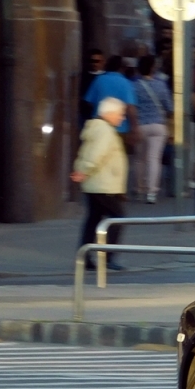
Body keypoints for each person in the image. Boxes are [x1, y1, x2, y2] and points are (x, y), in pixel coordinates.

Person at [71, 97, 129, 271]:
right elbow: (96, 154)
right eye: (120, 114)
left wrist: (82, 170)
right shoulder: (104, 131)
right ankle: (107, 256)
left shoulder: (97, 128)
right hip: (104, 185)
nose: (122, 118)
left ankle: (86, 257)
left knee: (94, 219)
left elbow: (85, 153)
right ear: (109, 114)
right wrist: (84, 170)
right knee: (117, 219)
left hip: (96, 183)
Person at [132, 56, 172, 205]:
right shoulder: (160, 85)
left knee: (139, 159)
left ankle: (138, 189)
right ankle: (152, 192)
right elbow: (169, 106)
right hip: (158, 125)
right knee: (154, 159)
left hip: (140, 125)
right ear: (153, 68)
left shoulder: (134, 86)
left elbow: (131, 106)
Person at [83, 56, 139, 144]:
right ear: (122, 68)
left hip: (99, 127)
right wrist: (135, 127)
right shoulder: (125, 83)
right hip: (120, 128)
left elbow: (89, 102)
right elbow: (130, 107)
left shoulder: (99, 80)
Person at [79, 48, 106, 124]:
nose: (94, 64)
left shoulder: (106, 77)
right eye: (92, 61)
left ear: (103, 62)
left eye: (97, 61)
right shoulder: (84, 76)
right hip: (86, 116)